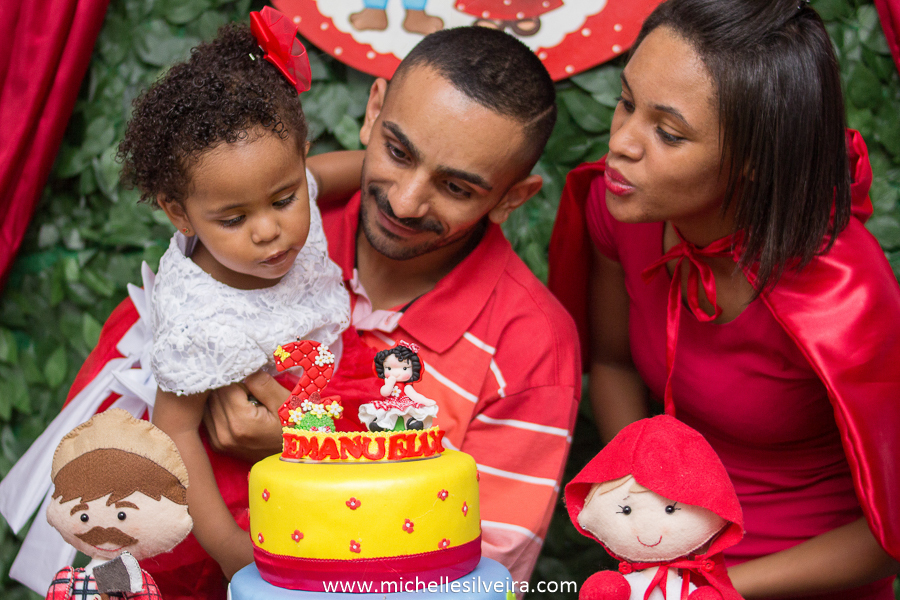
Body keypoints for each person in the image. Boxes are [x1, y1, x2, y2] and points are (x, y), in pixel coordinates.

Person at [0, 8, 369, 599]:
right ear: (180, 213)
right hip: (225, 478)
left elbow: (325, 175)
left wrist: (384, 173)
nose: (269, 231)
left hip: (306, 406)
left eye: (283, 198)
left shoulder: (289, 185)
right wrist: (229, 551)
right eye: (233, 219)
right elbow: (178, 439)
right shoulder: (200, 319)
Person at [547, 0, 900, 598]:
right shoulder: (624, 209)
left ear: (756, 162)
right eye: (626, 102)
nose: (623, 144)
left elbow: (888, 537)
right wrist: (645, 518)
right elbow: (611, 362)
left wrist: (713, 589)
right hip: (663, 552)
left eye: (668, 132)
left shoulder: (846, 295)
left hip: (798, 575)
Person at [204, 26, 581, 585]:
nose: (405, 201)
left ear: (512, 198)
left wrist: (312, 451)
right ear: (373, 110)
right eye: (398, 152)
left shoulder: (531, 344)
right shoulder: (274, 242)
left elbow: (481, 579)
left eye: (457, 188)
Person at [45, 409, 193, 600]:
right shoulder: (67, 581)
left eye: (121, 515)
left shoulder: (133, 583)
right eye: (84, 516)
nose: (104, 528)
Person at [360, 340, 438, 431]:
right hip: (390, 402)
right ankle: (379, 424)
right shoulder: (388, 382)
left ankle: (411, 423)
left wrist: (425, 401)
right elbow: (384, 392)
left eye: (404, 368)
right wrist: (389, 385)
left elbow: (414, 395)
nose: (396, 373)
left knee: (408, 412)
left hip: (404, 403)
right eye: (389, 368)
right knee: (384, 412)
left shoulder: (407, 387)